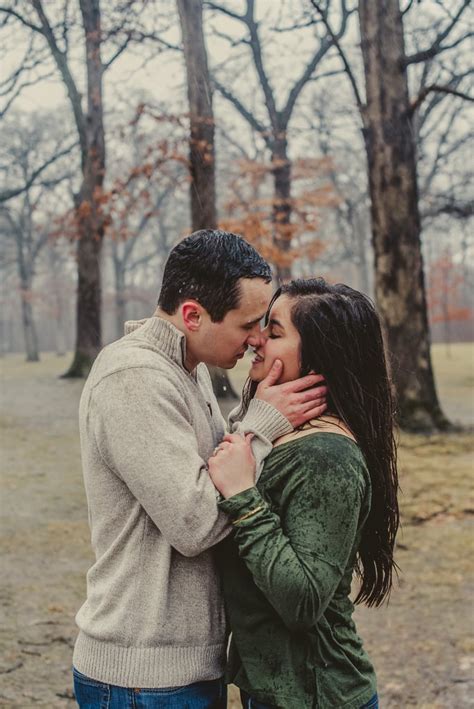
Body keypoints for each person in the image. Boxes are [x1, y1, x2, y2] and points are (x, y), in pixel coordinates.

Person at [72, 231, 327, 708]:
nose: (256, 340)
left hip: (181, 670)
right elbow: (195, 522)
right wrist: (264, 425)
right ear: (192, 316)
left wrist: (256, 415)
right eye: (248, 324)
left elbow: (214, 462)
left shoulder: (188, 367)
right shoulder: (135, 378)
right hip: (143, 677)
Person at [208, 278, 400, 709]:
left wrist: (242, 495)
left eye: (274, 333)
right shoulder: (288, 434)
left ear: (319, 358)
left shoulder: (326, 455)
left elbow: (304, 600)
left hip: (318, 694)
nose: (256, 339)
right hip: (281, 692)